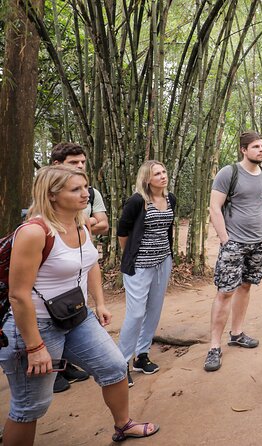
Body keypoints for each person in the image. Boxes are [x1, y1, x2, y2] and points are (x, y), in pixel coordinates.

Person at [0, 165, 158, 445]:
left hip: (76, 316)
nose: (86, 194)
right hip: (36, 326)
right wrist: (35, 347)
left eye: (85, 187)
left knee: (114, 367)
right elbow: (18, 295)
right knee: (30, 407)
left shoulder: (81, 222)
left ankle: (123, 425)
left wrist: (99, 303)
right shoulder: (34, 232)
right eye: (76, 189)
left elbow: (90, 264)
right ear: (51, 195)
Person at [204, 131, 262, 372]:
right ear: (243, 150)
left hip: (259, 243)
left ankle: (236, 333)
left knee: (245, 286)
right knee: (225, 291)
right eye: (256, 146)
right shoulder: (229, 173)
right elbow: (214, 207)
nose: (261, 150)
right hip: (234, 243)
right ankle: (214, 346)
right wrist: (226, 240)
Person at [50, 142, 109, 392]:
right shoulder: (42, 203)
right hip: (54, 272)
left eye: (82, 162)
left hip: (82, 262)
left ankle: (66, 363)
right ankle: (53, 370)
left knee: (75, 311)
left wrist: (86, 222)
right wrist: (85, 221)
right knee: (53, 315)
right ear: (56, 166)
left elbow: (103, 224)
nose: (80, 166)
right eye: (74, 163)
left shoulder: (91, 193)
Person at [117, 160, 176, 386]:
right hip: (139, 265)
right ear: (146, 179)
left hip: (163, 261)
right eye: (157, 174)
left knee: (154, 309)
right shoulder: (137, 201)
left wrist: (166, 255)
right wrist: (131, 253)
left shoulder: (170, 199)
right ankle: (121, 362)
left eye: (164, 171)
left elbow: (167, 229)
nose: (162, 176)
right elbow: (123, 231)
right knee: (136, 313)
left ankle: (141, 356)